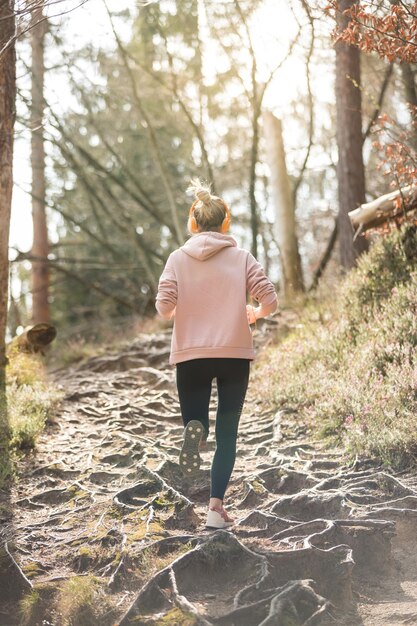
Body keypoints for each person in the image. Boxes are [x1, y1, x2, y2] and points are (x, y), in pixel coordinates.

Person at [155, 179, 278, 529]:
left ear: (193, 224)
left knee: (197, 422)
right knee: (228, 434)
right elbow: (269, 299)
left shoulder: (177, 259)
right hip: (233, 355)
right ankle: (215, 509)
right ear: (226, 223)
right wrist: (254, 312)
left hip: (191, 355)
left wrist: (184, 308)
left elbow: (164, 307)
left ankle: (195, 432)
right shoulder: (241, 258)